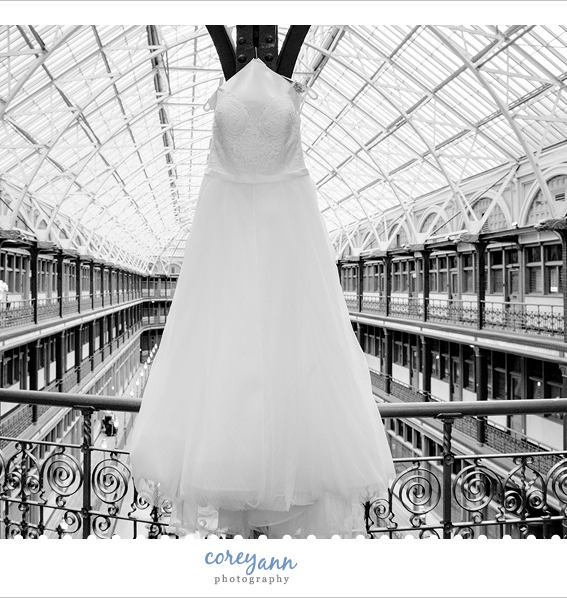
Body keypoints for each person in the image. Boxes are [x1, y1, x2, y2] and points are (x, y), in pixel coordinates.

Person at [127, 57, 395, 539]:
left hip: (276, 227)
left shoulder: (264, 92)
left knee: (271, 338)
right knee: (251, 340)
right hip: (247, 225)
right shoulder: (272, 93)